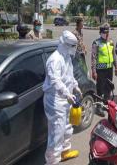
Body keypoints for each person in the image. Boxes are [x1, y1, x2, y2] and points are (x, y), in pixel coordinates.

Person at [42, 30, 82, 165]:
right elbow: (55, 81)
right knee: (56, 133)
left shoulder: (66, 57)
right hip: (55, 100)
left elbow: (69, 76)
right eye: (72, 46)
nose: (73, 49)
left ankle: (65, 152)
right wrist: (67, 94)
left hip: (66, 98)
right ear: (64, 44)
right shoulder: (55, 59)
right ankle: (52, 161)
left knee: (67, 126)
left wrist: (75, 86)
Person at [91, 23, 117, 100]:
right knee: (100, 88)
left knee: (109, 86)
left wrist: (116, 67)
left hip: (109, 69)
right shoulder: (96, 43)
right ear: (100, 33)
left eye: (107, 32)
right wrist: (94, 71)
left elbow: (113, 55)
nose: (106, 34)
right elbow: (93, 58)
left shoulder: (111, 42)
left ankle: (106, 102)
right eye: (104, 32)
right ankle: (99, 104)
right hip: (100, 69)